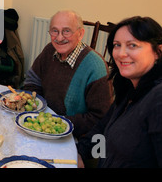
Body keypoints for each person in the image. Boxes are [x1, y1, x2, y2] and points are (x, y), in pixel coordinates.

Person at [77, 16, 162, 167]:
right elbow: (103, 131)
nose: (121, 53)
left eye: (132, 45)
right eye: (117, 45)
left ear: (159, 52)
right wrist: (79, 153)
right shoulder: (129, 89)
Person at [22, 10, 113, 138]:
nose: (59, 38)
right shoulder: (50, 50)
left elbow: (100, 118)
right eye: (54, 31)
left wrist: (56, 122)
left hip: (75, 136)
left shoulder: (95, 66)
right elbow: (32, 80)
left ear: (80, 34)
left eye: (66, 31)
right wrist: (35, 106)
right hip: (41, 125)